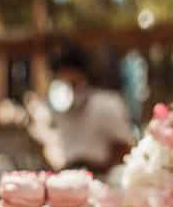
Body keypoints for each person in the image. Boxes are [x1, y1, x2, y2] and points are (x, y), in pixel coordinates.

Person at [50, 44, 134, 174]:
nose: (70, 92)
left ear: (86, 79)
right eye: (64, 86)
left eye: (74, 84)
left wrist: (96, 169)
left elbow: (125, 149)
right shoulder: (55, 110)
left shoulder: (107, 105)